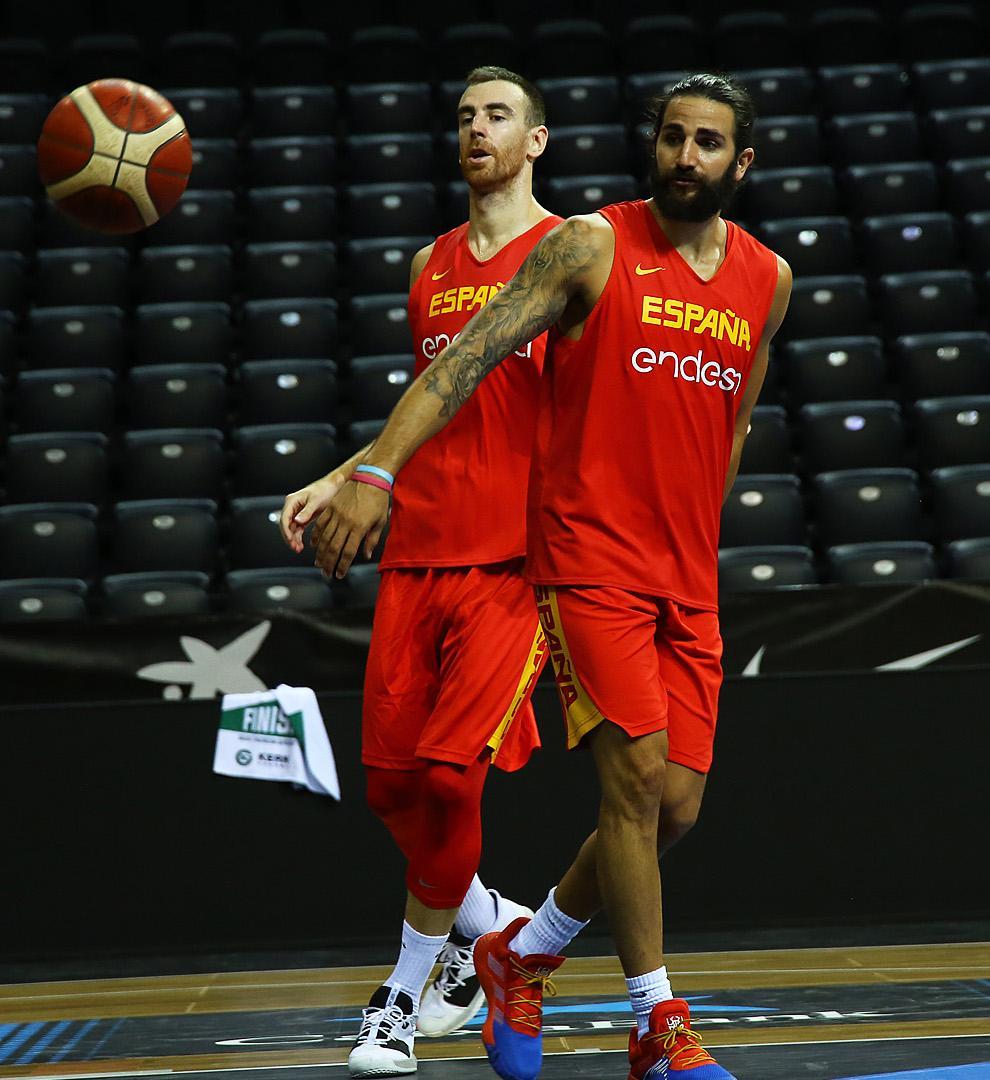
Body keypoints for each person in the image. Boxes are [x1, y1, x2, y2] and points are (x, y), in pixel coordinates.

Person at [309, 73, 792, 1080]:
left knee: (677, 811)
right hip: (584, 563)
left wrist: (696, 536)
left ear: (740, 163)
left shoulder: (767, 280)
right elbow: (462, 366)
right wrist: (374, 471)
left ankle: (517, 956)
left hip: (683, 574)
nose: (685, 157)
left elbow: (734, 420)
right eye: (671, 138)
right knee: (633, 784)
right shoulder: (591, 245)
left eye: (707, 143)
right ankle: (657, 1026)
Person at [278, 66, 562, 1078]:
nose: (476, 128)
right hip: (416, 554)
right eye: (465, 116)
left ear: (536, 140)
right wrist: (337, 476)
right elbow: (428, 405)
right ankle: (489, 923)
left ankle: (398, 999)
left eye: (498, 115)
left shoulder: (572, 256)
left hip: (513, 566)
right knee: (394, 788)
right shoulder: (427, 263)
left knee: (450, 778)